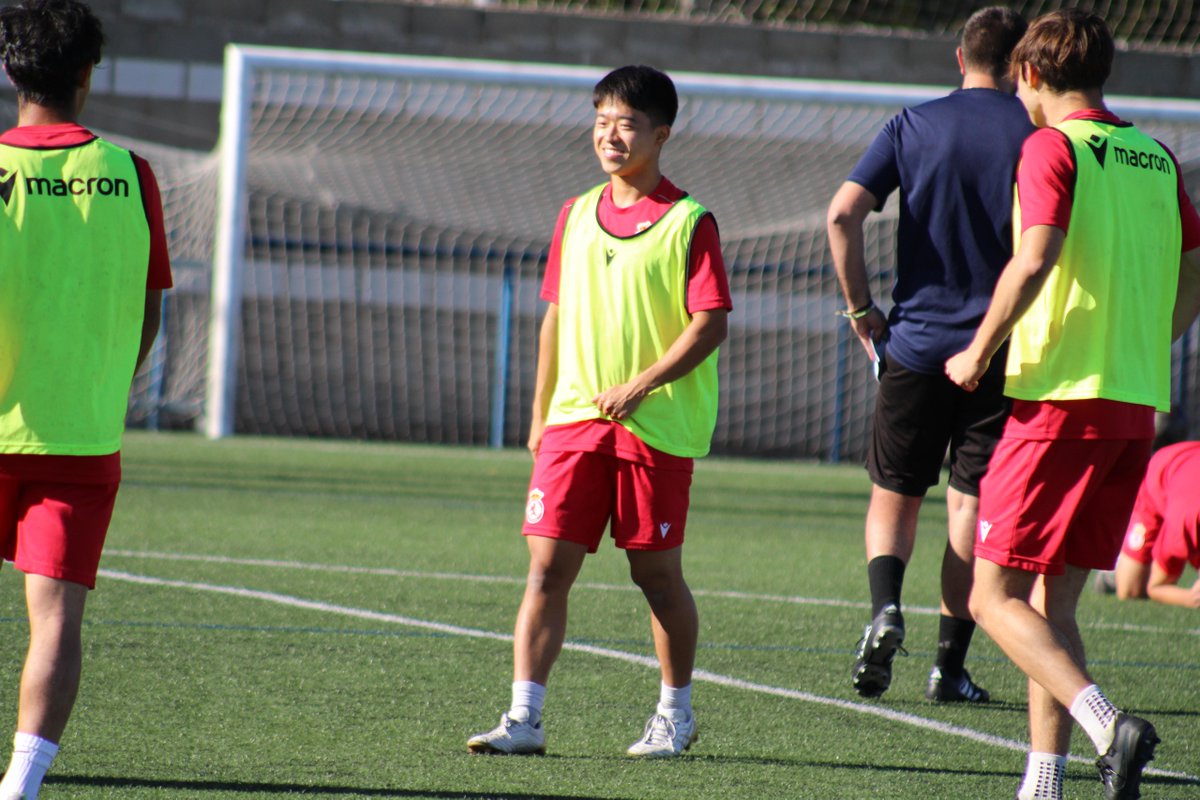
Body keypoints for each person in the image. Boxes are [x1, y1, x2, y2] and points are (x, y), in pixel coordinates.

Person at [945, 9, 1200, 800]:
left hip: (1057, 401)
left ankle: (1105, 724)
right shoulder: (1156, 156)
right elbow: (1195, 267)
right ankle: (1043, 781)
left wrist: (978, 349)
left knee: (992, 596)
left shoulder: (1049, 147)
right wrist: (1153, 338)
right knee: (1051, 601)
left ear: (1028, 75)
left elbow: (1035, 256)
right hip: (1132, 405)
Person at [466, 65, 731, 758]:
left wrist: (640, 385)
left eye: (628, 124)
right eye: (602, 121)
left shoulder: (688, 221)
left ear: (661, 134)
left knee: (656, 576)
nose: (611, 136)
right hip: (574, 424)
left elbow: (709, 326)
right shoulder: (575, 214)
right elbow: (553, 320)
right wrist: (539, 415)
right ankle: (524, 718)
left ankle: (676, 713)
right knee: (546, 569)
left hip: (656, 428)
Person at [827, 6, 1033, 702]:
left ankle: (886, 607)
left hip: (913, 344)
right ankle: (949, 666)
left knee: (895, 494)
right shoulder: (1039, 136)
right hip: (1000, 350)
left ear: (959, 57)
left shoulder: (911, 124)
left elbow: (842, 214)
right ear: (1022, 64)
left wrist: (861, 313)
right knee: (967, 507)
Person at [0, 2, 173, 798]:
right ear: (87, 74)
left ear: (11, 72)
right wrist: (109, 385)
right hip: (80, 430)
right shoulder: (133, 174)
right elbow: (150, 309)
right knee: (57, 615)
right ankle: (23, 784)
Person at [1111, 441, 1200, 606]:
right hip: (1160, 473)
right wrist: (1192, 598)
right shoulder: (1185, 522)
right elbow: (1157, 586)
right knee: (1130, 589)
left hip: (1188, 465)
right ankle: (1112, 572)